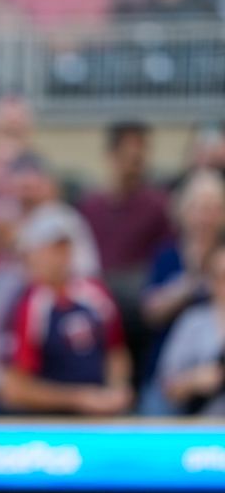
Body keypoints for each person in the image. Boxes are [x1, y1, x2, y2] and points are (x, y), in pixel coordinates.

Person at [0, 205, 132, 415]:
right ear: (31, 253)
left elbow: (115, 350)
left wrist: (117, 389)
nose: (60, 256)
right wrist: (79, 399)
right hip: (47, 426)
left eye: (64, 247)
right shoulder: (26, 305)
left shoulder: (95, 294)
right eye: (51, 248)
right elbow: (13, 389)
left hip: (99, 418)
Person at [79, 122, 172, 383]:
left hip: (140, 314)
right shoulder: (90, 205)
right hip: (98, 314)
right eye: (129, 155)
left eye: (140, 156)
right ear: (112, 156)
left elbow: (165, 257)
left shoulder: (157, 205)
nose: (135, 163)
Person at [158, 240, 225, 415]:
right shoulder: (192, 322)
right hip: (201, 426)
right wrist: (194, 381)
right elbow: (167, 386)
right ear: (210, 280)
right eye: (221, 277)